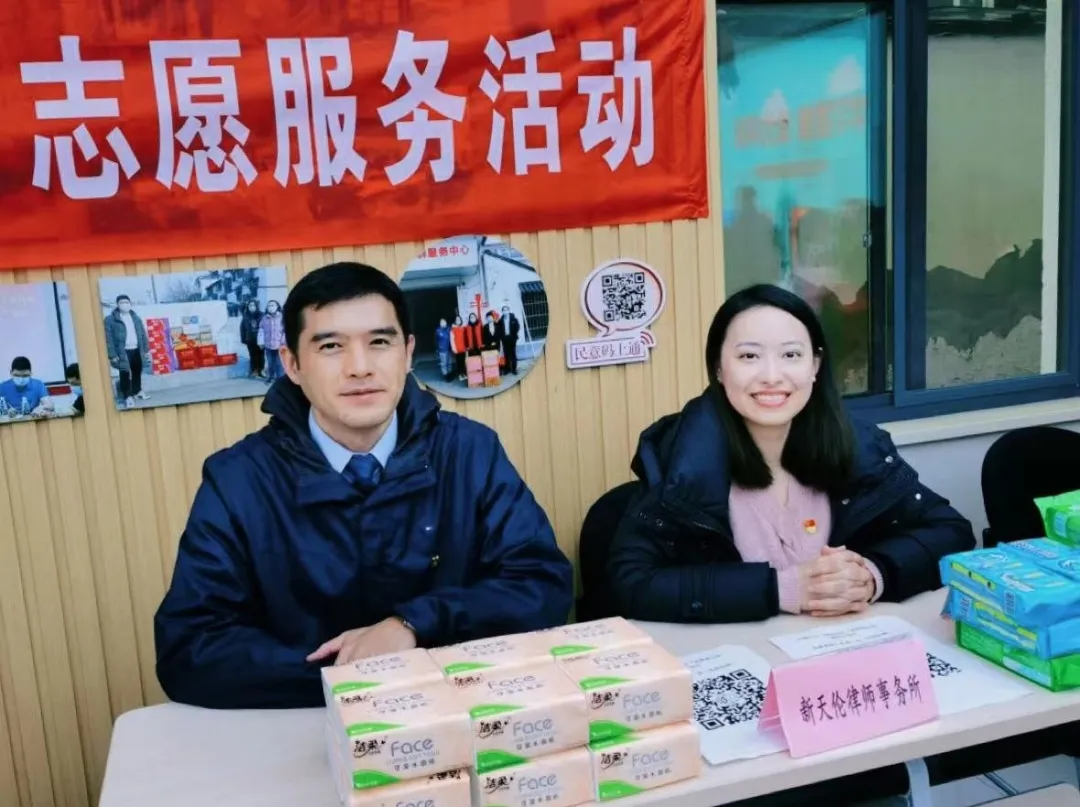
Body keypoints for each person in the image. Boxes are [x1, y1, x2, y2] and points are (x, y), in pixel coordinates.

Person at [154, 262, 573, 709]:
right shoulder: (238, 480)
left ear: (407, 353)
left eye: (379, 342)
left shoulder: (469, 451)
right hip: (303, 723)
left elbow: (540, 584)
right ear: (292, 364)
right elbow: (191, 645)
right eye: (331, 346)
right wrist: (348, 672)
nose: (359, 368)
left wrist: (414, 625)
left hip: (458, 713)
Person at [606, 284, 975, 624]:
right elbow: (630, 582)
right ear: (718, 368)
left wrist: (872, 574)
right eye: (749, 356)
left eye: (791, 355)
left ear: (814, 366)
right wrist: (781, 589)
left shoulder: (857, 445)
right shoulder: (686, 458)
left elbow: (951, 530)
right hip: (741, 654)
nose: (772, 376)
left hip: (846, 648)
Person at [104, 295, 150, 409]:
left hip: (136, 349)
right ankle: (127, 396)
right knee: (124, 372)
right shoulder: (110, 319)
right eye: (122, 302)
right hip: (122, 351)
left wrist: (146, 349)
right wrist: (112, 355)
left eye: (127, 302)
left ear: (130, 303)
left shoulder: (136, 318)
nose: (125, 304)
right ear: (117, 305)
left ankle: (137, 391)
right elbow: (108, 339)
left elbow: (143, 334)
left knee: (137, 371)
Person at [260, 300, 286, 383]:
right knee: (270, 363)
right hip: (268, 345)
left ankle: (280, 379)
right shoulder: (264, 318)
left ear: (277, 306)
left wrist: (283, 342)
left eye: (273, 305)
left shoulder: (282, 317)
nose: (271, 307)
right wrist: (261, 342)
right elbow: (261, 331)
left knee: (279, 363)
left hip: (279, 345)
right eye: (269, 306)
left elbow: (285, 331)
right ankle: (271, 376)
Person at [240, 300, 265, 379]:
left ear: (256, 306)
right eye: (250, 305)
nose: (252, 307)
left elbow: (265, 327)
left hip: (260, 340)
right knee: (252, 356)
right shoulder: (245, 316)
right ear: (248, 307)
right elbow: (242, 328)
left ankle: (261, 370)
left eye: (253, 305)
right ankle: (254, 370)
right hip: (250, 340)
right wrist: (243, 339)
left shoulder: (262, 315)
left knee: (261, 355)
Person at [499, 305, 521, 375]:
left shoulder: (514, 319)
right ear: (502, 312)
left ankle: (514, 369)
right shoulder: (500, 320)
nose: (505, 311)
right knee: (506, 354)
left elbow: (517, 327)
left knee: (513, 354)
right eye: (504, 310)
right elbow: (499, 330)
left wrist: (514, 336)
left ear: (508, 310)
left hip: (512, 338)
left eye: (506, 310)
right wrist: (502, 337)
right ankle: (508, 369)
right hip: (505, 339)